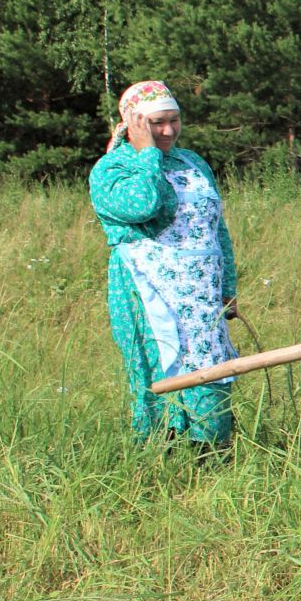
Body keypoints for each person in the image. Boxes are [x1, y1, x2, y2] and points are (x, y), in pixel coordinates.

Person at [89, 80, 240, 450]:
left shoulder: (193, 162)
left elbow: (216, 227)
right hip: (149, 290)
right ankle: (164, 459)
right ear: (134, 123)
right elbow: (142, 205)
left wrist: (227, 288)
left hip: (201, 293)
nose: (169, 131)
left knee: (209, 366)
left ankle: (212, 455)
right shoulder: (112, 169)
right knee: (161, 365)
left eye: (174, 120)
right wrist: (146, 155)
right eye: (157, 123)